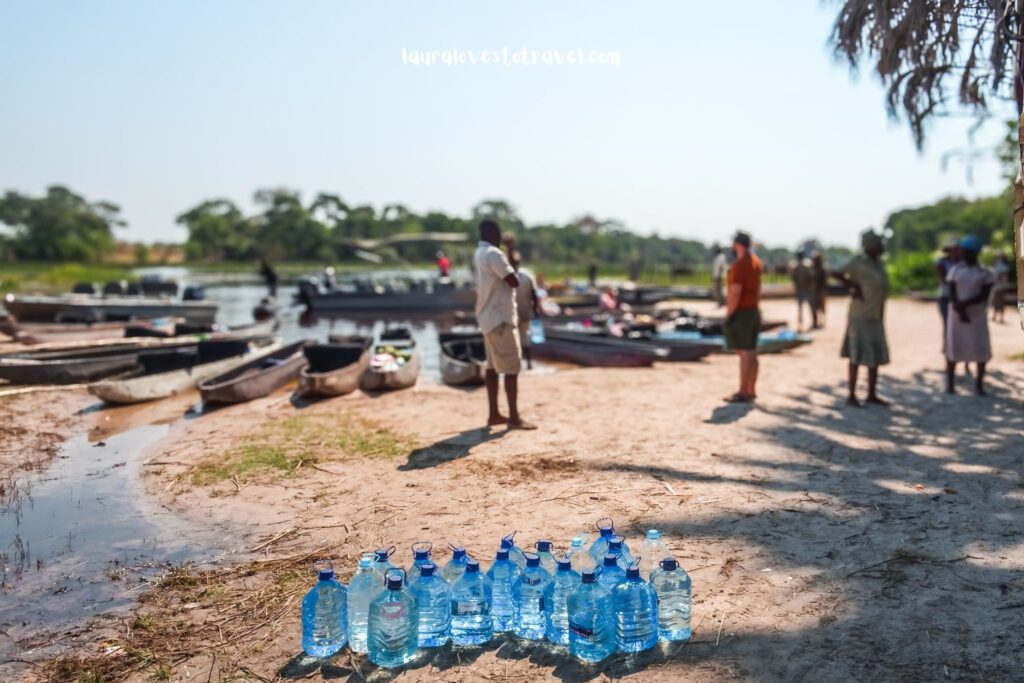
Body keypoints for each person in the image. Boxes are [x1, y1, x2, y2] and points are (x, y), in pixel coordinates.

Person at [475, 219, 536, 430]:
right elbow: (514, 279)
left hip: (487, 318)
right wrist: (510, 249)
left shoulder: (480, 252)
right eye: (499, 233)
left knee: (492, 368)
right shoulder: (494, 254)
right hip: (501, 319)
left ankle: (494, 414)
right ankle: (514, 417)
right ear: (491, 232)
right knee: (511, 368)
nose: (501, 236)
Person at [831, 229, 890, 407]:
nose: (881, 246)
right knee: (855, 355)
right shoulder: (858, 261)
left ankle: (871, 394)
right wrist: (852, 285)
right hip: (860, 316)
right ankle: (851, 394)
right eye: (878, 244)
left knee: (875, 356)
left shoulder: (879, 263)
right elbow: (835, 272)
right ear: (871, 246)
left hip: (876, 315)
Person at [946, 236, 995, 395]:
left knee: (980, 348)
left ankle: (979, 385)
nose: (961, 254)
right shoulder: (955, 270)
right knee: (954, 347)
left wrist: (965, 305)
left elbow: (984, 295)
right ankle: (950, 385)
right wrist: (960, 309)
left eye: (965, 251)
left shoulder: (985, 273)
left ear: (973, 253)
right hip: (957, 316)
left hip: (976, 316)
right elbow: (952, 292)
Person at [723, 231, 763, 403]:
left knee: (744, 352)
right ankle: (751, 389)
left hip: (743, 311)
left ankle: (743, 391)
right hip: (754, 309)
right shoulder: (756, 262)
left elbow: (735, 292)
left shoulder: (740, 265)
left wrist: (729, 313)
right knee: (752, 351)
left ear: (737, 244)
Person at [509, 251, 540, 370]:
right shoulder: (527, 275)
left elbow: (534, 295)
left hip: (513, 312)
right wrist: (535, 310)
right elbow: (534, 296)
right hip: (526, 311)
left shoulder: (507, 276)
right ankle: (528, 363)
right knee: (525, 337)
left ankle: (518, 364)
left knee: (515, 339)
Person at [936, 237, 960, 339]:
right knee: (947, 324)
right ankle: (948, 348)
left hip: (959, 297)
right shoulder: (941, 262)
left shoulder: (961, 262)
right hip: (945, 296)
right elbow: (944, 279)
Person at [790, 253, 817, 330]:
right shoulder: (807, 265)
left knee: (801, 308)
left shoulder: (796, 267)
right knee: (811, 307)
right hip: (807, 290)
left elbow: (794, 278)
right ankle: (814, 322)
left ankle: (800, 324)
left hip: (801, 290)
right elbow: (811, 277)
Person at [990, 252, 1010, 324]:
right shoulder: (996, 265)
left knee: (1000, 302)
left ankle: (1001, 317)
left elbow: (1002, 277)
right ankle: (994, 316)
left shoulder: (1003, 266)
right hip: (996, 287)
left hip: (1001, 287)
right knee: (995, 301)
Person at [811, 251, 828, 328]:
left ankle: (821, 322)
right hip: (815, 291)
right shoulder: (813, 269)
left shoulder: (822, 269)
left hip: (820, 291)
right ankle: (815, 322)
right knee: (814, 307)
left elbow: (823, 281)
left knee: (821, 307)